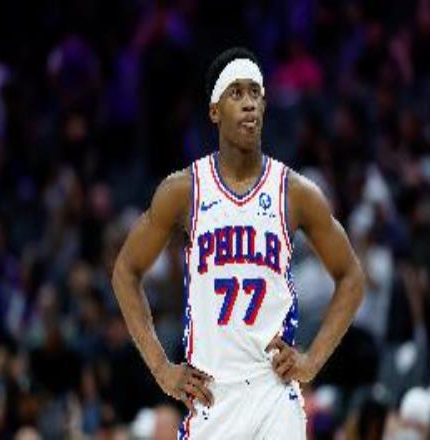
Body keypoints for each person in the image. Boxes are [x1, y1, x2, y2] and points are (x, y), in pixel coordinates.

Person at [111, 47, 365, 439]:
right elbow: (125, 272)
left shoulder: (295, 192)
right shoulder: (184, 190)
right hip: (212, 394)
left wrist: (313, 360)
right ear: (214, 111)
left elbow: (351, 276)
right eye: (236, 93)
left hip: (273, 392)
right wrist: (161, 369)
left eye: (255, 93)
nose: (249, 103)